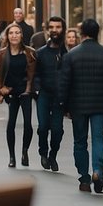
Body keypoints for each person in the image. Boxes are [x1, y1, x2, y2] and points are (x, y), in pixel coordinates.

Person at [59, 18, 103, 193]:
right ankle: (97, 170)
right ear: (98, 33)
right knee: (97, 138)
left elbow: (64, 83)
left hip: (78, 105)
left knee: (80, 141)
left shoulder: (71, 55)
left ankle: (84, 178)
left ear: (82, 34)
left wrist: (63, 106)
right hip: (101, 105)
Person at [0, 23, 36, 168]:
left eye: (17, 33)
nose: (14, 36)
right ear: (7, 36)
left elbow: (33, 74)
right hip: (10, 92)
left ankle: (25, 151)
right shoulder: (2, 54)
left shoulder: (30, 52)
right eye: (11, 33)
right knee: (11, 124)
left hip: (25, 92)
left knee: (28, 125)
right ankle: (12, 156)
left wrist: (29, 90)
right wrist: (0, 89)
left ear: (21, 35)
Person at [34, 16, 68, 169]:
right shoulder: (40, 53)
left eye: (58, 27)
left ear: (63, 30)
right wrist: (37, 88)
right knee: (42, 127)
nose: (55, 30)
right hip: (44, 95)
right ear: (48, 30)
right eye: (52, 27)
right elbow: (35, 74)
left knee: (57, 130)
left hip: (60, 97)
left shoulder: (68, 54)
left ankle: (53, 155)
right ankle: (43, 152)